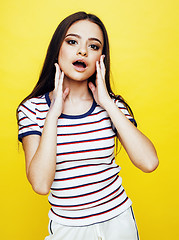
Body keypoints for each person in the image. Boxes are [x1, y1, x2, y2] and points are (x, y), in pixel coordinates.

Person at [17, 11, 159, 240]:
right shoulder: (32, 109)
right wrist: (53, 115)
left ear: (101, 58)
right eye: (72, 42)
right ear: (57, 49)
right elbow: (41, 184)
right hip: (68, 228)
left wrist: (107, 103)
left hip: (119, 222)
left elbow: (149, 162)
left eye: (93, 46)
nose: (82, 51)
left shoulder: (113, 106)